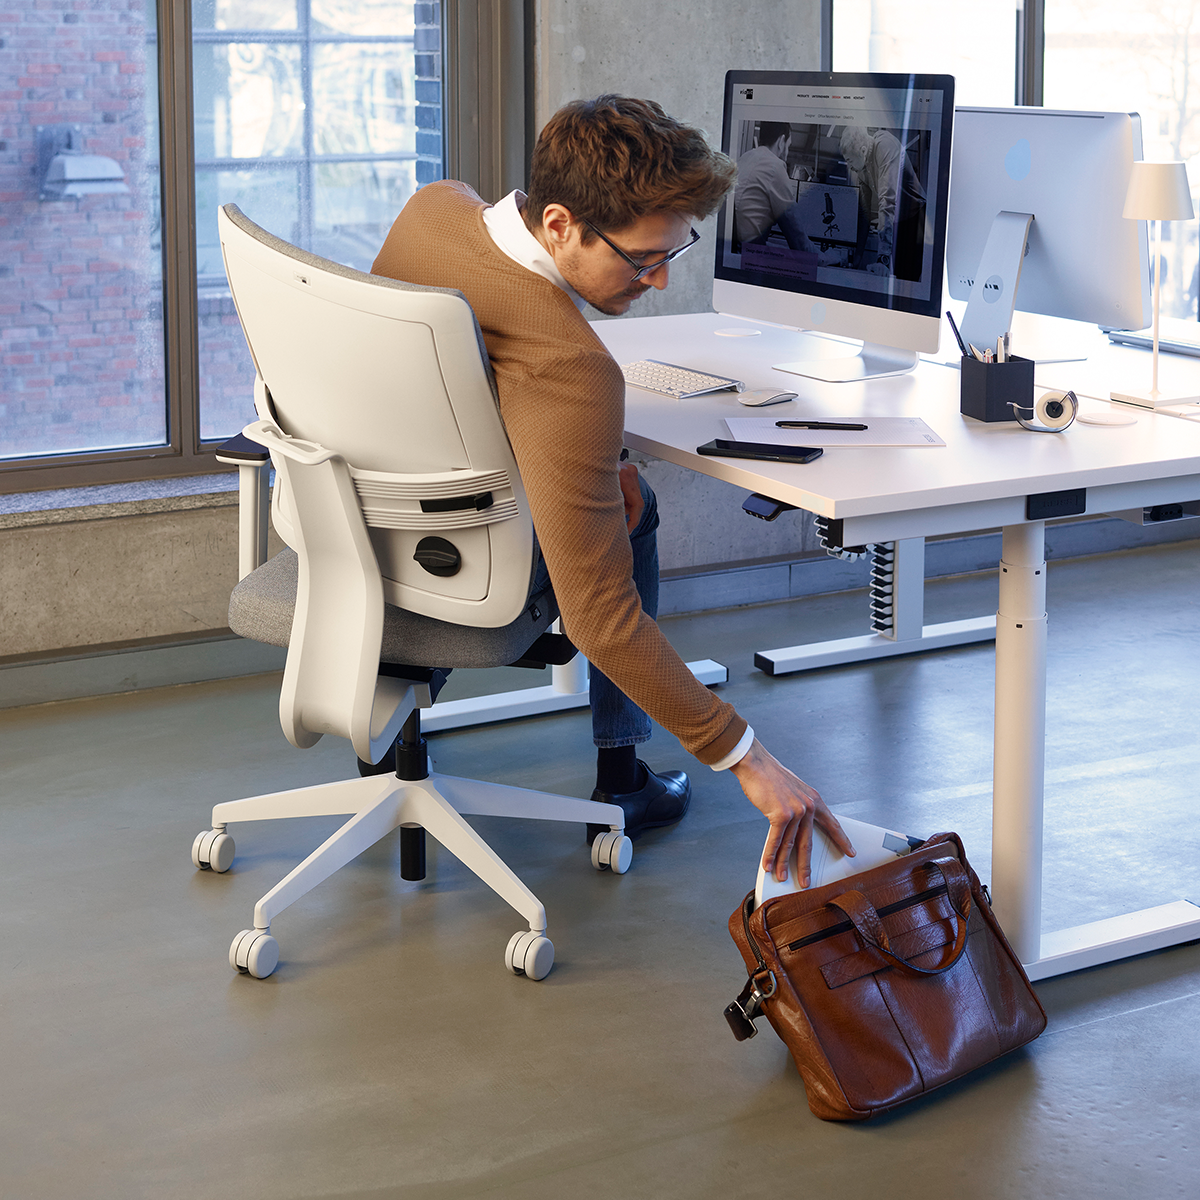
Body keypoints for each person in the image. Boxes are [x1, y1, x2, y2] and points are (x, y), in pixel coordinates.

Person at [372, 95, 853, 886]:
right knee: (637, 519)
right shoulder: (573, 366)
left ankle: (388, 718)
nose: (659, 280)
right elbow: (600, 620)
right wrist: (749, 757)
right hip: (457, 561)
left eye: (673, 252)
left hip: (360, 517)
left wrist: (600, 458)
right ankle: (622, 774)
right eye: (640, 259)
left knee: (622, 487)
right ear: (560, 224)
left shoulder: (435, 208)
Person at [838, 125, 927, 281]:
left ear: (863, 151)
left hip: (916, 216)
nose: (849, 166)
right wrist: (857, 258)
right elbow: (864, 213)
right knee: (894, 277)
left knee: (905, 279)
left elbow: (887, 202)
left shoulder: (885, 146)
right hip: (898, 220)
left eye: (849, 160)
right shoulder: (862, 168)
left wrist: (882, 258)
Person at [732, 121, 815, 253]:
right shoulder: (775, 166)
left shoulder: (745, 158)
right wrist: (829, 258)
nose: (787, 154)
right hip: (750, 254)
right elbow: (797, 238)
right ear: (781, 142)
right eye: (788, 146)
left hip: (735, 248)